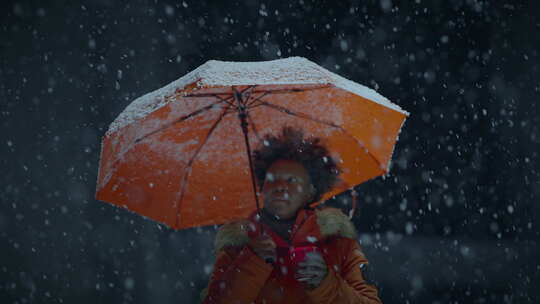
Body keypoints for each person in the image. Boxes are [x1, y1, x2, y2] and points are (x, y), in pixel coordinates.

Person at [201, 127, 382, 304]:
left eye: (291, 180)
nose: (280, 186)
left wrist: (325, 283)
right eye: (273, 179)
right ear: (262, 188)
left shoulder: (339, 245)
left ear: (311, 192)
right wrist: (252, 261)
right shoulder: (238, 247)